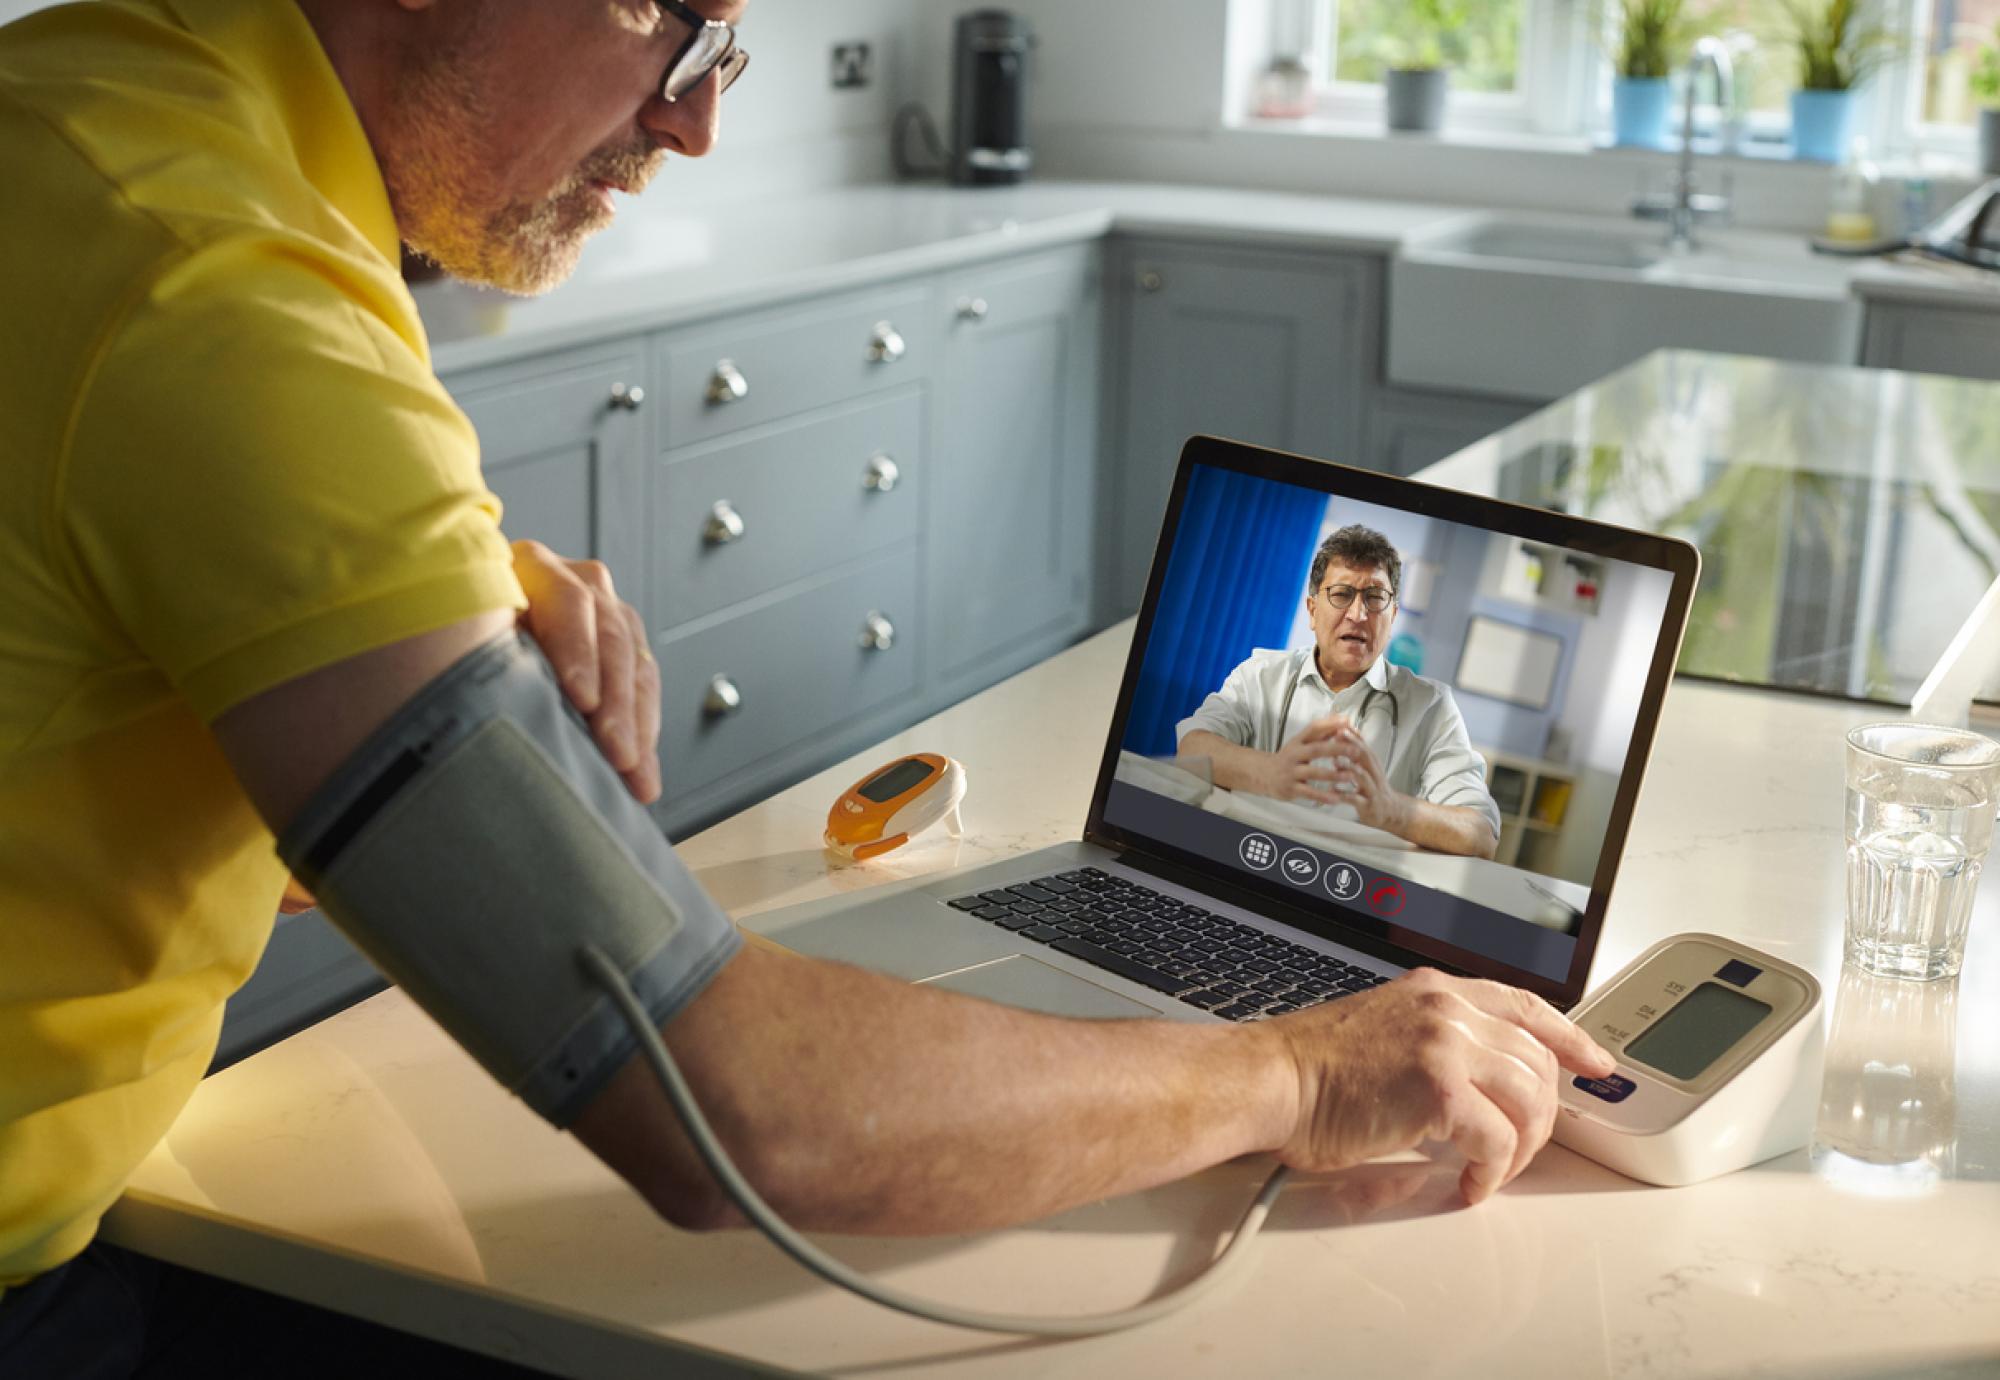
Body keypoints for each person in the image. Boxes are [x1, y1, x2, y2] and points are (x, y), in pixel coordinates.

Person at [0, 2, 1611, 1373]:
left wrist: (392, 625)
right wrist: (1299, 1068)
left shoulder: (102, 113)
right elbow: (737, 1112)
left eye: (734, 53)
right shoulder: (217, 281)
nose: (694, 123)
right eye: (678, 26)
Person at [1177, 525, 1503, 859]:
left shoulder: (1431, 706)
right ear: (1313, 610)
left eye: (1375, 597)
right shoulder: (1261, 674)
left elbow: (1480, 835)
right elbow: (1192, 749)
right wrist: (1269, 773)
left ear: (1392, 615)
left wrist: (1390, 809)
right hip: (1247, 859)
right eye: (1341, 594)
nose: (1358, 614)